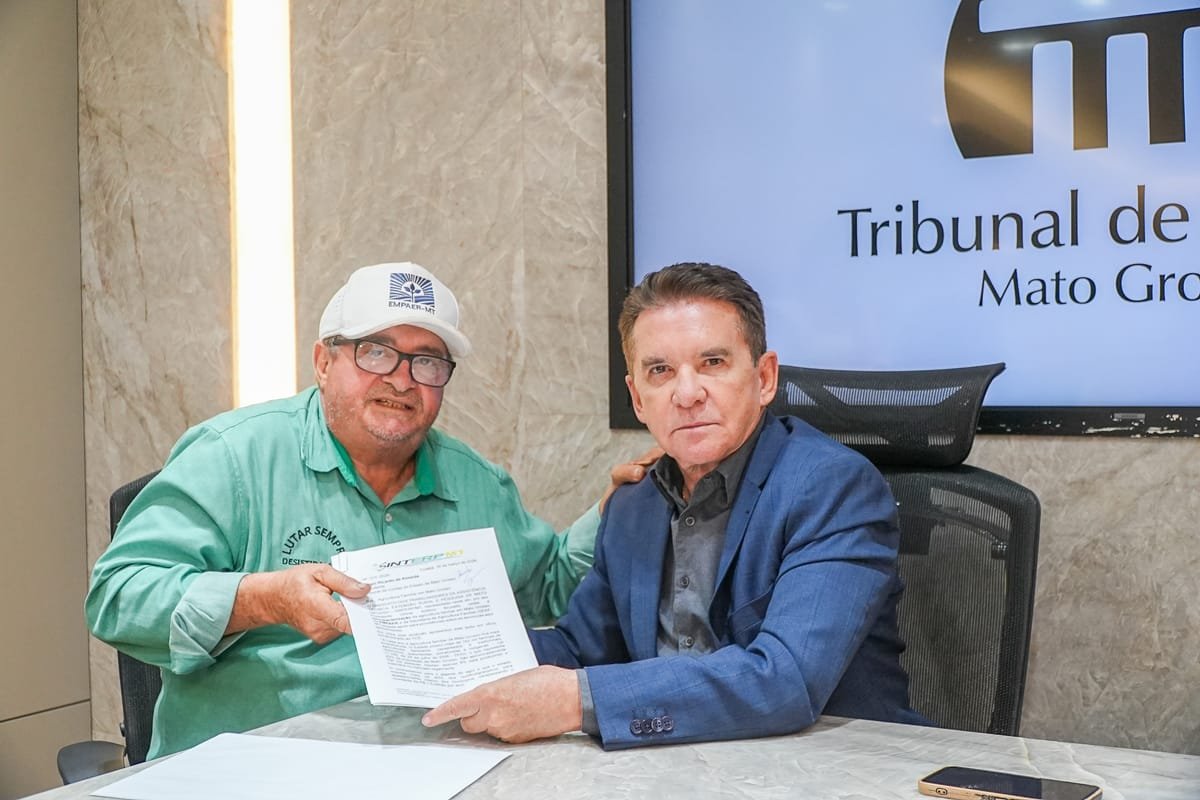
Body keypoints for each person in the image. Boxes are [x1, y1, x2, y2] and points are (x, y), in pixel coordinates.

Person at [86, 261, 653, 758]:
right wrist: (263, 599)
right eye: (375, 352)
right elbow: (116, 595)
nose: (401, 380)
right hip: (246, 767)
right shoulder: (232, 456)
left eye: (427, 362)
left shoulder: (476, 482)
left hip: (429, 762)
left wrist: (614, 509)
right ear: (322, 361)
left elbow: (549, 585)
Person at [423, 262, 925, 747]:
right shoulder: (632, 504)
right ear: (638, 398)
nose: (686, 394)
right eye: (660, 370)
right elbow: (579, 650)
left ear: (765, 378)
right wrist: (444, 644)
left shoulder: (833, 487)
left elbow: (786, 678)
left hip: (829, 771)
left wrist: (576, 701)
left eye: (713, 363)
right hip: (675, 770)